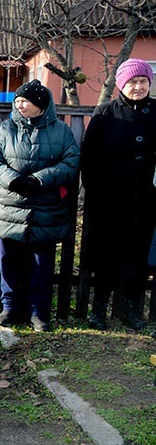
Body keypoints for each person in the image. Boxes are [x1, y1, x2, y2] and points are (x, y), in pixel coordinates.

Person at [0, 80, 79, 332]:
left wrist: (39, 180)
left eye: (24, 100)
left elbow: (70, 163)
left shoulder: (61, 131)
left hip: (44, 207)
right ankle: (10, 308)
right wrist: (13, 180)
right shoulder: (7, 128)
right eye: (17, 100)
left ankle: (39, 312)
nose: (19, 104)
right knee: (8, 260)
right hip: (9, 206)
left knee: (42, 262)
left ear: (39, 104)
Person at [80, 59, 156, 331]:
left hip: (145, 201)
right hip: (109, 202)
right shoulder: (105, 114)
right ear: (122, 84)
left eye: (143, 82)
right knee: (105, 258)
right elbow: (88, 158)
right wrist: (97, 191)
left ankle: (134, 312)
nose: (138, 87)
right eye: (133, 82)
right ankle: (98, 311)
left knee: (137, 258)